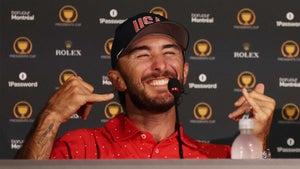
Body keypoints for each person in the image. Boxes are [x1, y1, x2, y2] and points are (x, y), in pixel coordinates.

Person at [15, 12, 275, 159]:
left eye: (170, 52)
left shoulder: (218, 158)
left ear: (184, 73)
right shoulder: (77, 148)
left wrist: (257, 140)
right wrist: (50, 115)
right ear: (117, 79)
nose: (160, 64)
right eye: (142, 54)